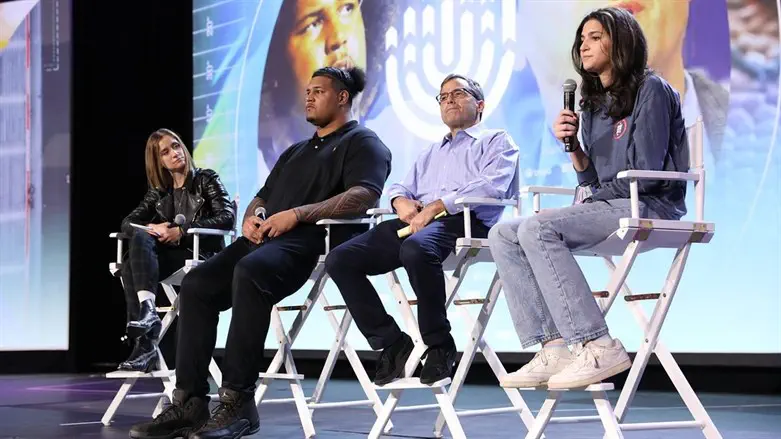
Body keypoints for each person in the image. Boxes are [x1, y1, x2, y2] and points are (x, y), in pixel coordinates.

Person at [129, 66, 392, 439]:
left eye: (318, 91)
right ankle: (189, 402)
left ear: (343, 97)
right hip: (264, 239)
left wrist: (297, 215)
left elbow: (364, 195)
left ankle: (238, 402)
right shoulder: (296, 150)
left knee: (250, 272)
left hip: (310, 240)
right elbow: (262, 196)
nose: (309, 96)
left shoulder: (363, 141)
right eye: (308, 90)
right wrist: (254, 215)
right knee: (198, 283)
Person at [488, 7, 689, 390]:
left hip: (649, 205)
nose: (584, 44)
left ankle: (597, 343)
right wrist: (574, 148)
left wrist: (591, 199)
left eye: (595, 36)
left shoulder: (652, 90)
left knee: (539, 227)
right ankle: (553, 346)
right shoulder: (592, 103)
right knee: (504, 235)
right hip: (613, 203)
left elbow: (644, 173)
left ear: (623, 43)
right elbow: (593, 178)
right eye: (582, 38)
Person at [324, 74, 520, 386]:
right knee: (340, 259)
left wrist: (437, 205)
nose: (449, 100)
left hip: (468, 221)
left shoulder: (496, 140)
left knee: (415, 248)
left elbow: (492, 185)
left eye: (458, 93)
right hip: (418, 222)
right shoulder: (431, 152)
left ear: (480, 105)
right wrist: (400, 201)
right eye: (443, 97)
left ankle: (439, 344)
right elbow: (402, 186)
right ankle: (391, 341)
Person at [117, 128, 235, 372]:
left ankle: (144, 345)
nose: (175, 153)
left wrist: (182, 231)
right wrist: (155, 227)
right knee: (139, 238)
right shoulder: (160, 193)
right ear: (158, 161)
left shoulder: (205, 179)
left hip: (202, 255)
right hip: (174, 258)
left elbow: (227, 217)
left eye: (176, 146)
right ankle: (148, 313)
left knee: (130, 264)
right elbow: (127, 223)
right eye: (166, 152)